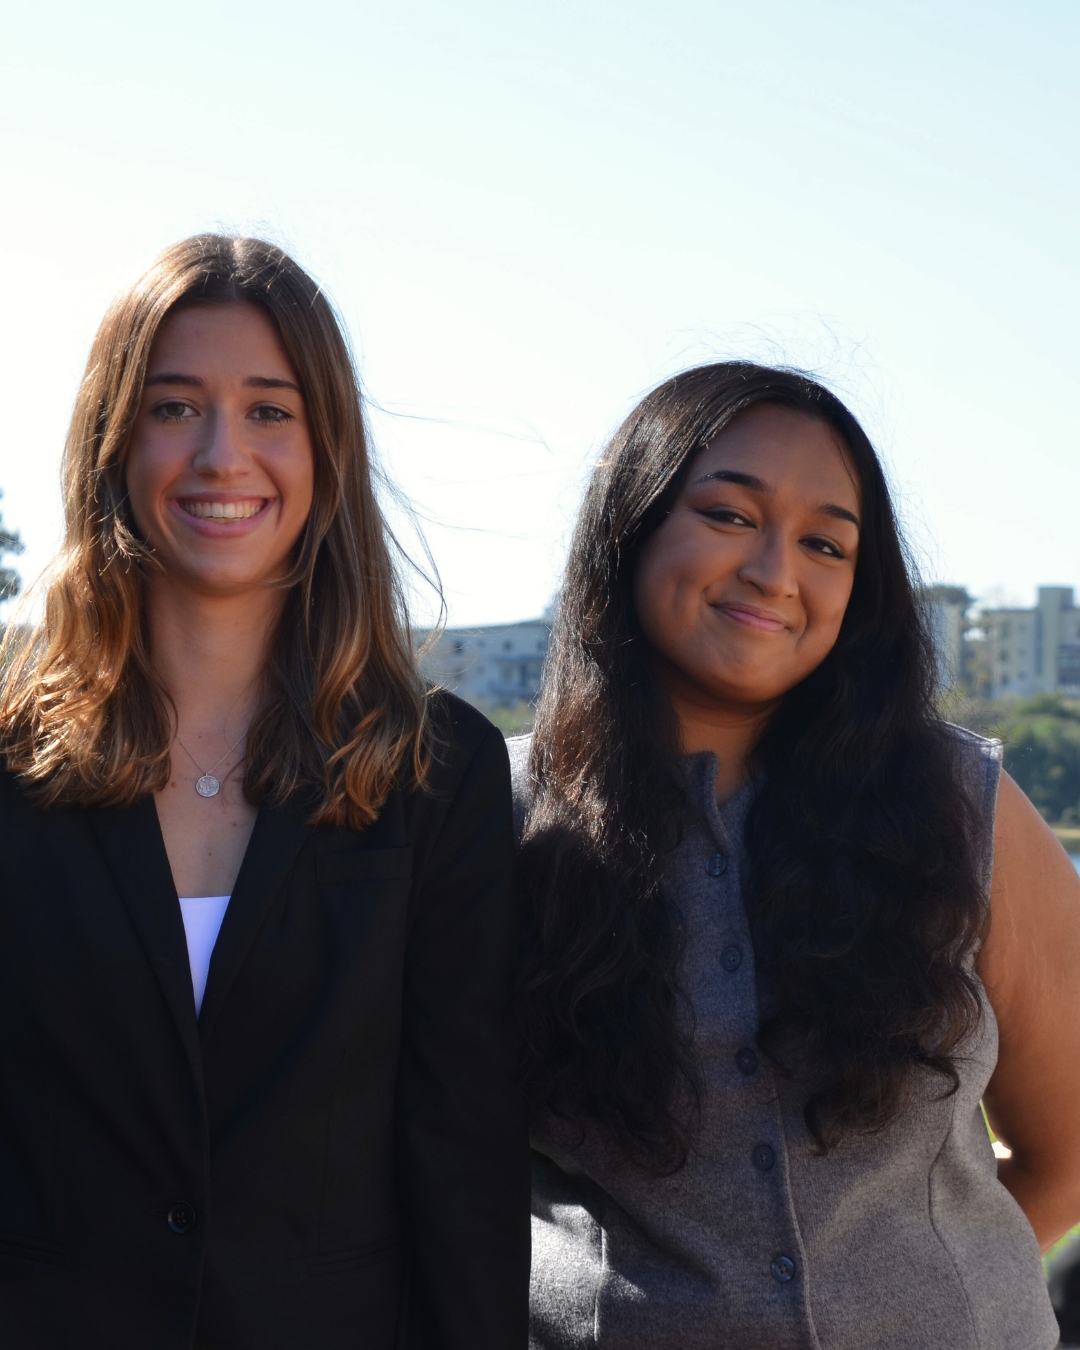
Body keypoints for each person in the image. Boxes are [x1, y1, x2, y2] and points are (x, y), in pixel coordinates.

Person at [0, 235, 529, 1349]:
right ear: (113, 441)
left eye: (270, 411)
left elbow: (462, 1161)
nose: (221, 453)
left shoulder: (442, 775)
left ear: (327, 449)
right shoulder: (9, 762)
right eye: (174, 405)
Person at [511, 362, 1080, 1350]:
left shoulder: (963, 808)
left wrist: (938, 1296)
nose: (778, 571)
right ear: (631, 525)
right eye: (731, 515)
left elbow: (1070, 1146)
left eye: (826, 543)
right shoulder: (490, 820)